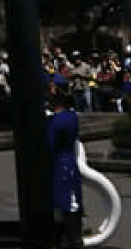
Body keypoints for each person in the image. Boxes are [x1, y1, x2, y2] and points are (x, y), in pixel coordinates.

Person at [48, 75, 83, 249]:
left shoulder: (60, 120)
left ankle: (73, 239)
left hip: (62, 164)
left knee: (68, 204)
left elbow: (50, 144)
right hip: (64, 162)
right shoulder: (69, 116)